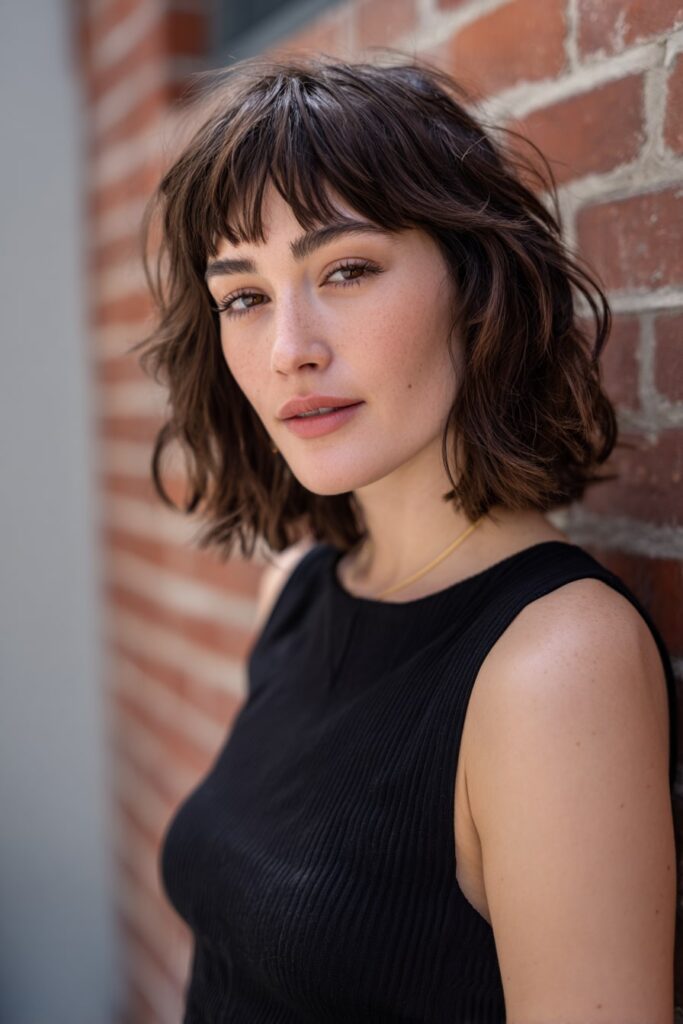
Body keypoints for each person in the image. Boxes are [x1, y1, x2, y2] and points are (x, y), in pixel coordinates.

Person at [132, 52, 678, 1023]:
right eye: (243, 296)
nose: (289, 349)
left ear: (473, 285)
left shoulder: (554, 664)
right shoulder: (297, 589)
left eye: (345, 270)